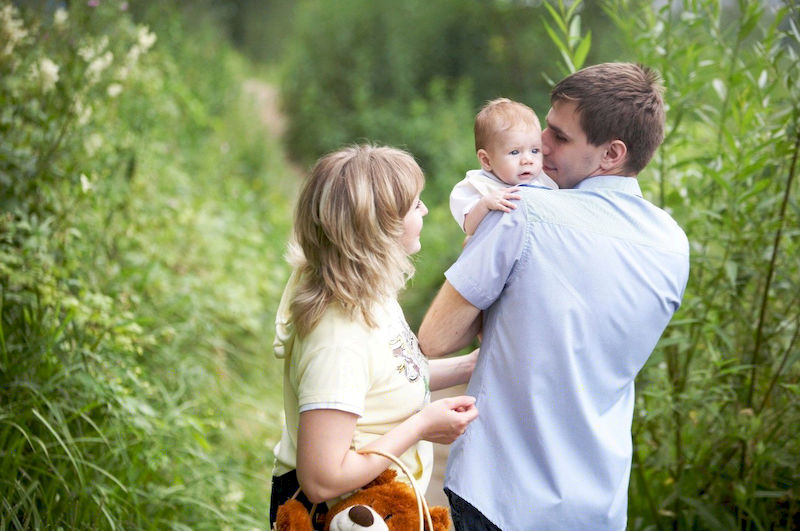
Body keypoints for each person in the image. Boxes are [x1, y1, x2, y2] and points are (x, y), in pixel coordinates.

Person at [419, 63, 690, 530]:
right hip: (597, 506)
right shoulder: (672, 244)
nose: (540, 142)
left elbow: (435, 339)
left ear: (611, 153)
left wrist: (479, 249)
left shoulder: (522, 211)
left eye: (560, 137)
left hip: (498, 492)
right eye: (546, 126)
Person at [269, 144, 479, 530]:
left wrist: (470, 365)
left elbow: (388, 378)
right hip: (336, 515)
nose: (426, 210)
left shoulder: (368, 295)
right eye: (415, 204)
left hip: (374, 506)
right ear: (380, 226)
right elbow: (321, 480)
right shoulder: (338, 338)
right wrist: (421, 426)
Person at [450, 98, 558, 236]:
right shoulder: (476, 187)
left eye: (535, 150)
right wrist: (484, 205)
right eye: (515, 152)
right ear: (487, 160)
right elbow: (470, 228)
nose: (527, 160)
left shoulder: (544, 179)